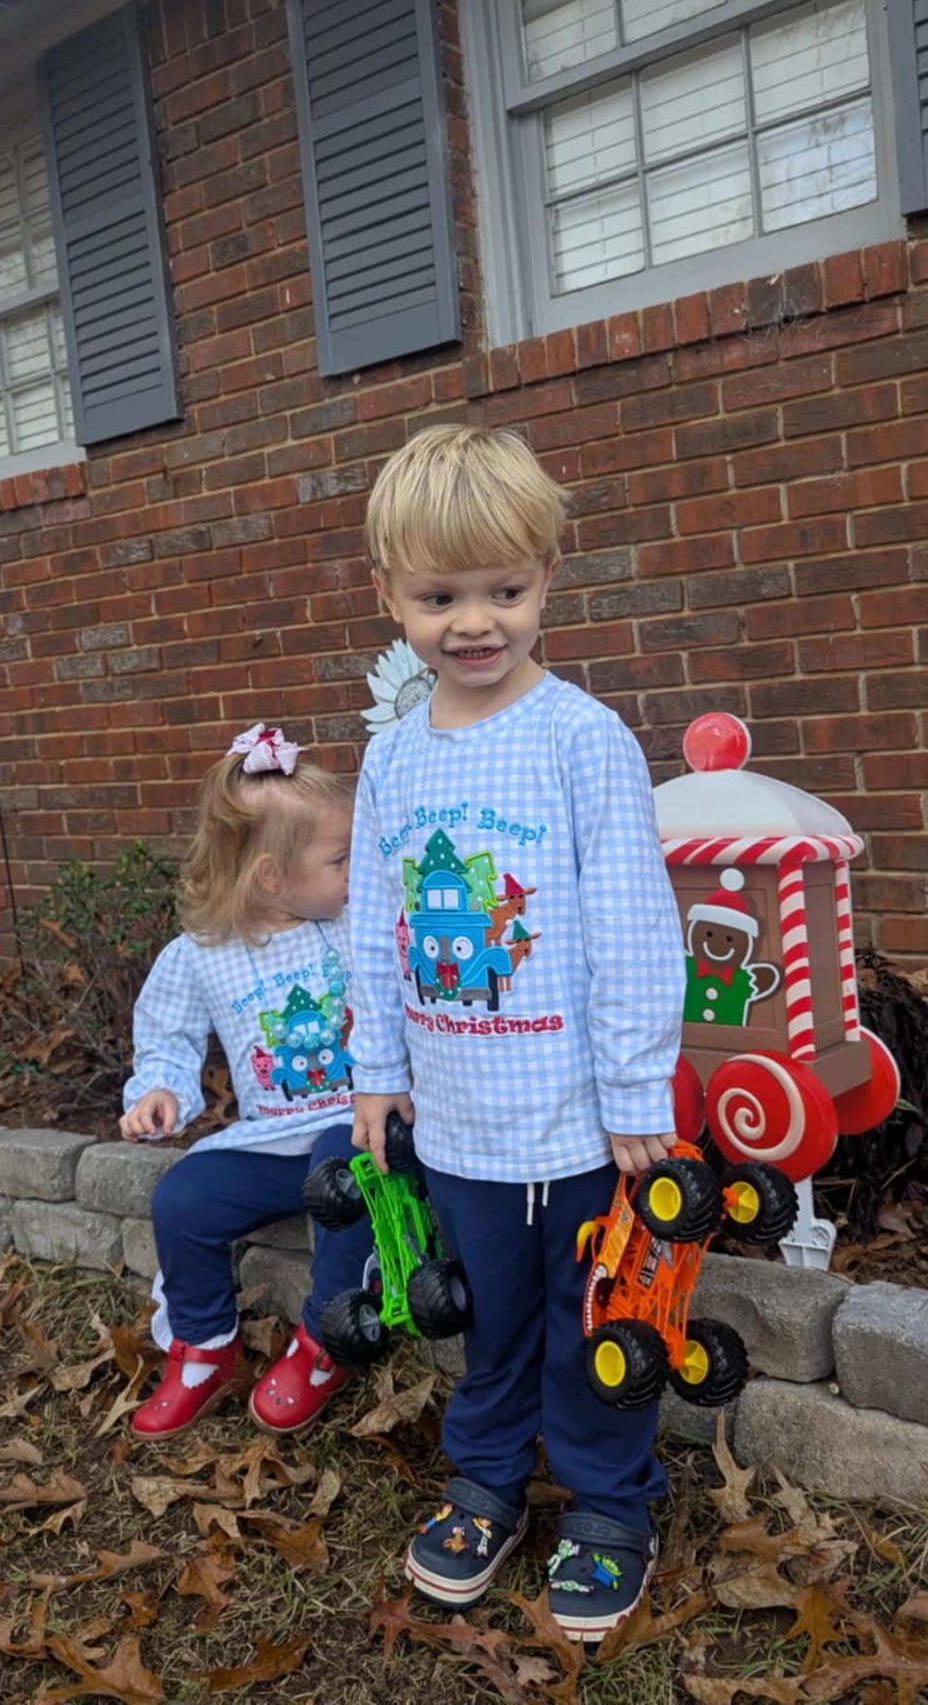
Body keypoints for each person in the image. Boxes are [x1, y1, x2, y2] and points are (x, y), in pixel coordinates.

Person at [347, 425, 686, 1643]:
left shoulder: (580, 738)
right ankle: (485, 1478)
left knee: (600, 1312)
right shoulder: (390, 760)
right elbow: (376, 926)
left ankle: (607, 1499)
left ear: (548, 575)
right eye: (439, 596)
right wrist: (374, 1073)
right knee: (490, 1314)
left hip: (587, 1120)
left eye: (504, 588)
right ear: (388, 595)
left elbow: (633, 921)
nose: (473, 621)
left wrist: (638, 1086)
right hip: (460, 1118)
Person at [122, 723, 370, 1439]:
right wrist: (158, 1091)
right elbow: (166, 1034)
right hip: (272, 1139)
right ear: (271, 875)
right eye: (341, 858)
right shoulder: (200, 955)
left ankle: (326, 1338)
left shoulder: (358, 923)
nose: (356, 873)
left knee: (341, 1163)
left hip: (364, 1129)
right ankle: (203, 1348)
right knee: (183, 1199)